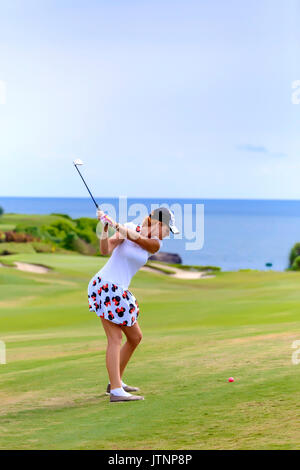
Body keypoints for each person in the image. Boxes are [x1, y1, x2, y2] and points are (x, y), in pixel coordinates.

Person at [87, 207, 179, 402]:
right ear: (159, 224)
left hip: (117, 288)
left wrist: (117, 225)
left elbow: (138, 239)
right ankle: (116, 390)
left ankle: (115, 383)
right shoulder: (129, 227)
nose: (167, 235)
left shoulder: (156, 243)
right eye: (167, 230)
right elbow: (105, 250)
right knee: (115, 338)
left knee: (135, 337)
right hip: (105, 285)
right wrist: (105, 228)